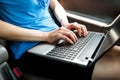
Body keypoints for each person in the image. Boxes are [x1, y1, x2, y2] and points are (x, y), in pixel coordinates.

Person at [0, 0, 88, 60]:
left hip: (56, 36)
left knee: (87, 52)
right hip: (30, 46)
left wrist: (65, 24)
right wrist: (47, 36)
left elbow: (55, 4)